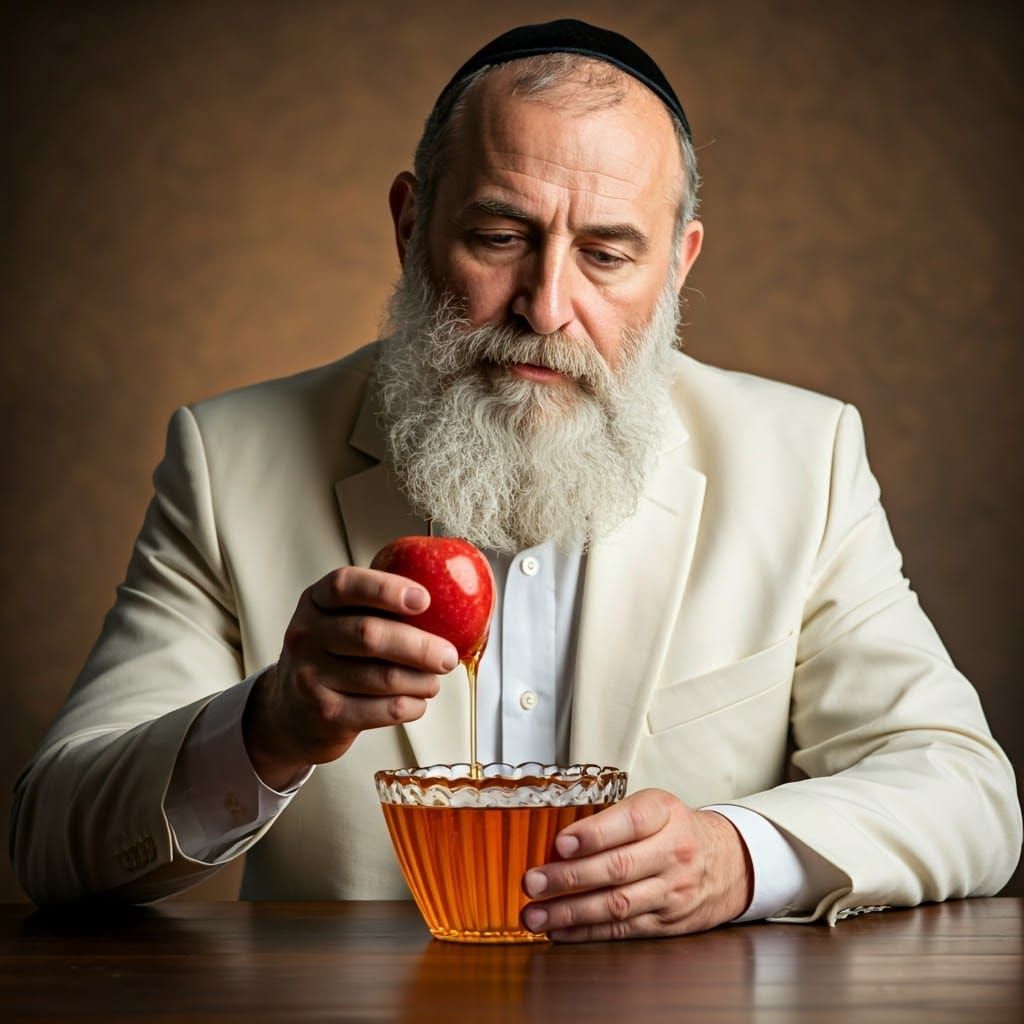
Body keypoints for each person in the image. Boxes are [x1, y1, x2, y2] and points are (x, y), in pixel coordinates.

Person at [10, 20, 1021, 940]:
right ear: (411, 225)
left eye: (607, 255)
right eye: (499, 238)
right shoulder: (230, 458)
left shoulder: (802, 458)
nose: (545, 306)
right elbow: (52, 838)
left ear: (676, 266)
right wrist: (267, 726)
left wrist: (735, 857)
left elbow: (965, 791)